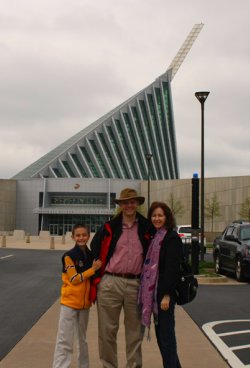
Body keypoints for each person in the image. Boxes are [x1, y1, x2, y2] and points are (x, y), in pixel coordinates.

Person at [90, 188, 150, 368]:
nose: (129, 205)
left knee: (134, 334)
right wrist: (96, 278)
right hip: (110, 282)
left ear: (137, 204)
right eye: (125, 202)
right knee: (107, 331)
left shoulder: (147, 227)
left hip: (136, 284)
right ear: (121, 205)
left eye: (132, 202)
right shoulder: (109, 227)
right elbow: (94, 251)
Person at [138, 202, 183, 368]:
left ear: (167, 217)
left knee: (167, 342)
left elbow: (172, 270)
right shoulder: (155, 237)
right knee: (163, 341)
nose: (157, 218)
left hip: (164, 297)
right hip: (155, 296)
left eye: (160, 215)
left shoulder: (171, 238)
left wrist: (167, 295)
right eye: (154, 215)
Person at [53, 224, 102, 368]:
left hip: (85, 304)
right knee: (64, 340)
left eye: (84, 235)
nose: (81, 238)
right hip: (69, 303)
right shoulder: (69, 256)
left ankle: (84, 365)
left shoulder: (91, 255)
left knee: (83, 340)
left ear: (89, 236)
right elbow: (74, 279)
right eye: (78, 235)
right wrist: (92, 269)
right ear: (72, 237)